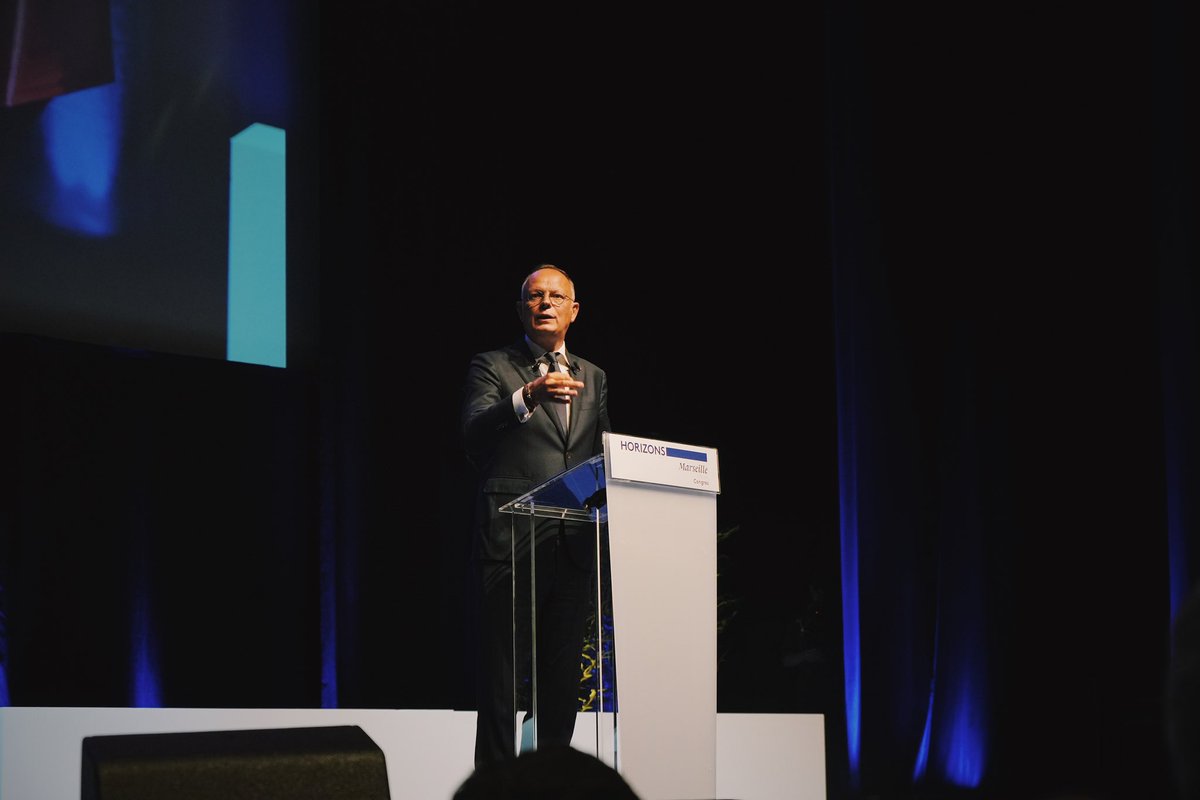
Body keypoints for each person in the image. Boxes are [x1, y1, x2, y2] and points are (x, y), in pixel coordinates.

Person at [461, 264, 612, 768]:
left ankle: (551, 778)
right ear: (521, 308)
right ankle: (496, 785)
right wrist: (528, 395)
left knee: (561, 674)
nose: (544, 303)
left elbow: (603, 456)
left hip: (572, 543)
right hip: (511, 541)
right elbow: (474, 436)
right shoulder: (493, 366)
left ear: (574, 310)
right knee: (502, 679)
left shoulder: (594, 376)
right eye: (534, 296)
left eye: (555, 296)